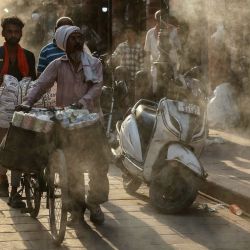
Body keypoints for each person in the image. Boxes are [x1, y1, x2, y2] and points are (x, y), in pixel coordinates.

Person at [19, 25, 109, 225]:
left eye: (80, 37)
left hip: (91, 120)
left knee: (98, 164)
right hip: (66, 123)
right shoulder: (57, 64)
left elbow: (97, 87)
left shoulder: (94, 63)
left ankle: (94, 204)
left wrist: (83, 101)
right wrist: (28, 102)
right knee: (71, 165)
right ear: (64, 44)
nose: (78, 41)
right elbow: (41, 84)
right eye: (73, 38)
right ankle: (75, 210)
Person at [0, 16, 36, 208]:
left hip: (22, 109)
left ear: (21, 33)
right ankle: (2, 180)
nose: (13, 35)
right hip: (1, 109)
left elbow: (33, 84)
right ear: (3, 33)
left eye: (17, 31)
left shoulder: (29, 56)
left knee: (19, 147)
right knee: (3, 146)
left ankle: (15, 192)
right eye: (10, 31)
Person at [110, 24, 144, 105]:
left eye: (130, 32)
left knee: (136, 99)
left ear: (134, 34)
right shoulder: (121, 46)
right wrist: (110, 60)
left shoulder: (139, 48)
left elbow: (142, 64)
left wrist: (140, 77)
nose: (128, 34)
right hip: (124, 79)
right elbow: (114, 56)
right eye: (126, 32)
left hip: (135, 79)